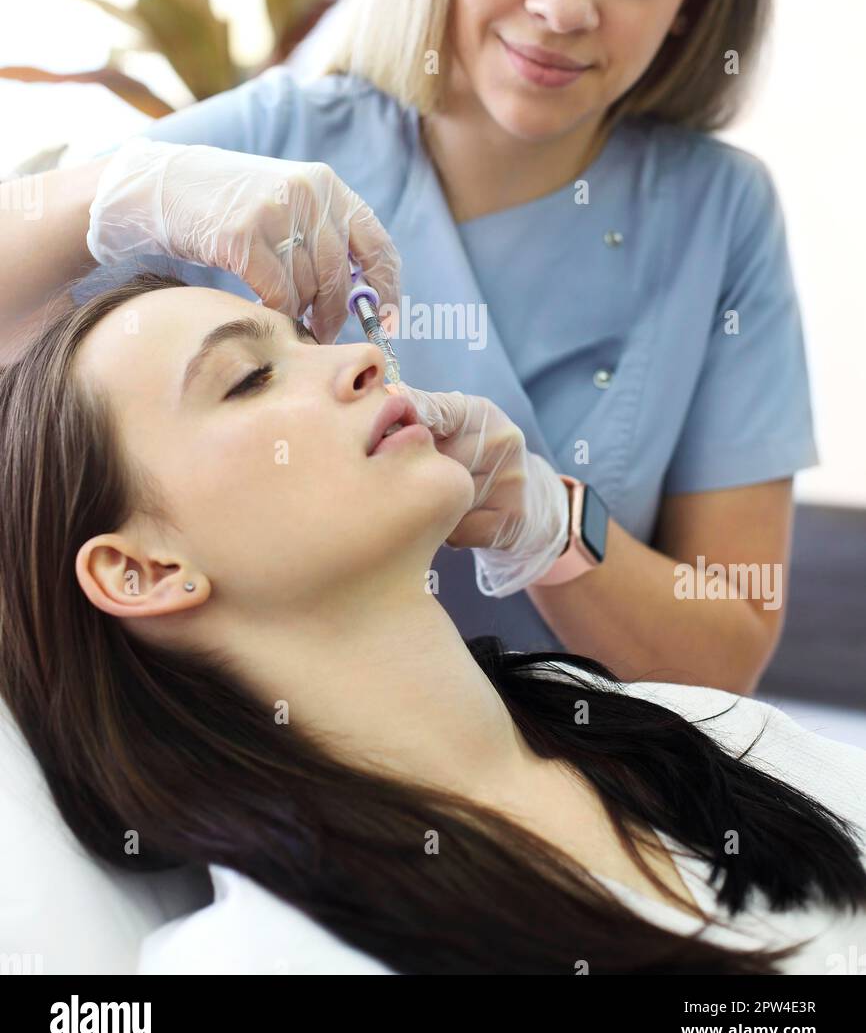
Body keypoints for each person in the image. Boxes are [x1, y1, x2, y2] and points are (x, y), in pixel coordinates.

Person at [0, 0, 817, 690]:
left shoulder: (716, 215)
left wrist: (552, 524)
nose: (562, 4)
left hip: (596, 777)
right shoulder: (273, 143)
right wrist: (125, 192)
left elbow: (720, 657)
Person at [0, 270, 863, 976]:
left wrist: (561, 523)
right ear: (143, 570)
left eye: (309, 341)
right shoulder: (268, 961)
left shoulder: (696, 737)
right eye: (250, 377)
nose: (366, 358)